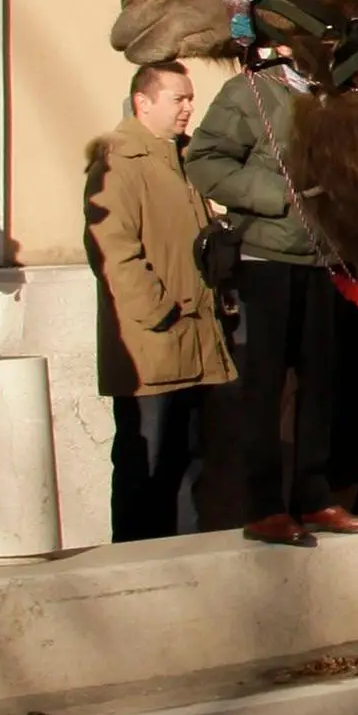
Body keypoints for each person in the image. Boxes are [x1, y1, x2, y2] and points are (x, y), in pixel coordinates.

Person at [184, 61, 358, 543]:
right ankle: (263, 507)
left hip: (325, 258)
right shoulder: (250, 91)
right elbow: (204, 159)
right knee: (263, 391)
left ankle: (313, 497)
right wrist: (278, 195)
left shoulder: (340, 93)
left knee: (321, 386)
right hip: (263, 258)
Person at [87, 61, 236, 541]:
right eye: (178, 98)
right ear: (143, 102)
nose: (189, 107)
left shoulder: (186, 160)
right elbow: (114, 251)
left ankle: (180, 562)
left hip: (197, 338)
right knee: (144, 463)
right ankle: (132, 561)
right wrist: (161, 312)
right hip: (150, 346)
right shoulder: (118, 163)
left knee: (186, 462)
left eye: (191, 97)